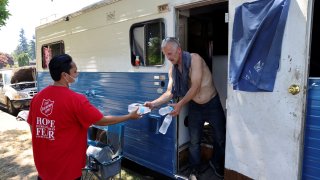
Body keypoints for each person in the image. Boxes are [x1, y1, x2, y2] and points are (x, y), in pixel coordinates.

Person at [27, 54, 141, 180]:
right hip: (66, 170)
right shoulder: (76, 100)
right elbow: (101, 121)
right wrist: (129, 116)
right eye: (75, 72)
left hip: (43, 167)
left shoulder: (37, 98)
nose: (77, 74)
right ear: (65, 75)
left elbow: (33, 127)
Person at [144, 37, 226, 179]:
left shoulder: (195, 59)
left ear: (179, 50)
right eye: (165, 54)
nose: (168, 58)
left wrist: (180, 104)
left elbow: (195, 86)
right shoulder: (173, 70)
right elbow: (170, 92)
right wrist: (154, 103)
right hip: (195, 106)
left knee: (220, 138)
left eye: (170, 53)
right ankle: (195, 169)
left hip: (212, 103)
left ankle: (216, 163)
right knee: (194, 140)